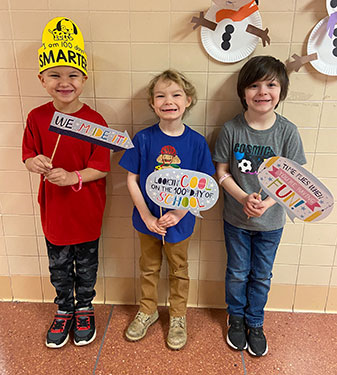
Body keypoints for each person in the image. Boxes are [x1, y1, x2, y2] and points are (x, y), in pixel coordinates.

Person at [22, 17, 110, 349]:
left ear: (84, 79)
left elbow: (101, 167)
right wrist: (36, 162)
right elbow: (28, 155)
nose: (64, 82)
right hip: (54, 212)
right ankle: (64, 308)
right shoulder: (37, 117)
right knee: (59, 265)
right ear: (42, 79)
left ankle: (85, 306)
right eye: (55, 75)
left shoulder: (95, 122)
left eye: (72, 75)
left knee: (87, 265)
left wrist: (73, 176)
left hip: (87, 211)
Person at [213, 56, 306, 357]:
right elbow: (222, 172)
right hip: (235, 220)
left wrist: (266, 203)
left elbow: (295, 181)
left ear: (282, 90)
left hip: (272, 222)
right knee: (238, 271)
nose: (262, 91)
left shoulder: (288, 132)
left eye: (271, 84)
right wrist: (242, 198)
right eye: (254, 85)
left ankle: (255, 322)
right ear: (242, 92)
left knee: (262, 274)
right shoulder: (230, 129)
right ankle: (236, 318)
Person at [119, 70, 215, 350]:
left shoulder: (196, 142)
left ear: (188, 100)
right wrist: (147, 216)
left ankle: (177, 316)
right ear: (152, 103)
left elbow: (203, 188)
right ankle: (147, 310)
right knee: (148, 268)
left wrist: (180, 213)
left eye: (175, 95)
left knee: (179, 269)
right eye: (160, 95)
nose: (168, 101)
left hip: (180, 223)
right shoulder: (144, 139)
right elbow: (131, 178)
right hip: (147, 223)